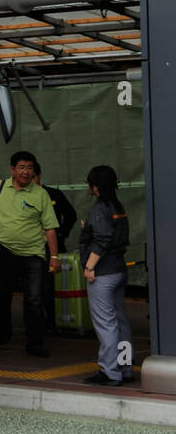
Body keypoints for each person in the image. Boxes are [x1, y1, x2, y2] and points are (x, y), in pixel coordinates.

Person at [0, 150, 59, 357]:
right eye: (22, 167)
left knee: (34, 300)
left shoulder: (41, 194)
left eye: (30, 168)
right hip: (4, 252)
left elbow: (50, 228)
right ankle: (0, 335)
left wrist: (54, 256)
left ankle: (34, 343)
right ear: (12, 170)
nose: (26, 172)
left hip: (33, 255)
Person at [79, 165, 134, 386]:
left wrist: (90, 267)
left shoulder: (100, 209)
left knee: (105, 323)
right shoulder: (117, 206)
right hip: (119, 269)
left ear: (94, 186)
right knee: (120, 321)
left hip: (103, 273)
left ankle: (110, 372)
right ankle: (125, 368)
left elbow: (102, 239)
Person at [34, 161, 77, 334]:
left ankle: (54, 321)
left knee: (51, 286)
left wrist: (62, 233)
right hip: (33, 247)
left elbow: (71, 215)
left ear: (39, 175)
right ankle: (41, 321)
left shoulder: (53, 194)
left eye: (34, 176)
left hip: (53, 247)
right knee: (38, 287)